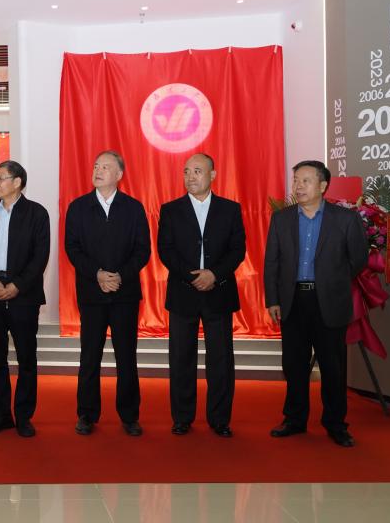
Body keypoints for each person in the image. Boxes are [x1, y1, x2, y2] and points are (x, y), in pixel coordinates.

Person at [264, 160, 367, 447]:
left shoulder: (345, 219)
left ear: (322, 186)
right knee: (293, 365)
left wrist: (333, 280)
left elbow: (358, 259)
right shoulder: (282, 219)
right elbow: (272, 262)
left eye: (305, 181)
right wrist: (273, 299)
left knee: (333, 367)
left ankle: (335, 424)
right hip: (293, 300)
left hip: (329, 301)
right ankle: (294, 419)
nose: (298, 186)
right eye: (296, 180)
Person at [157, 153, 246, 438]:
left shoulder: (230, 209)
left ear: (213, 175)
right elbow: (165, 250)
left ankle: (220, 419)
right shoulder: (170, 210)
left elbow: (237, 249)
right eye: (186, 171)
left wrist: (214, 275)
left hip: (219, 292)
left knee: (221, 359)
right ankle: (182, 417)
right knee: (181, 358)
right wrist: (192, 276)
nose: (190, 176)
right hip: (183, 292)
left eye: (197, 171)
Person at [64, 150, 150, 436]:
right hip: (92, 293)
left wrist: (120, 275)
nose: (98, 171)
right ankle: (86, 414)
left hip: (125, 294)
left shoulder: (133, 208)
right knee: (90, 356)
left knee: (126, 357)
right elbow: (72, 248)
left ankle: (130, 415)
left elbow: (142, 250)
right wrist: (98, 274)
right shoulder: (78, 207)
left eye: (105, 167)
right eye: (96, 166)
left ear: (119, 175)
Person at [0, 160, 50, 438]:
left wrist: (17, 285)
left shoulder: (36, 214)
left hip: (23, 295)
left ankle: (24, 417)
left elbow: (40, 257)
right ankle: (2, 415)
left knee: (26, 357)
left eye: (0, 178)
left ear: (17, 182)